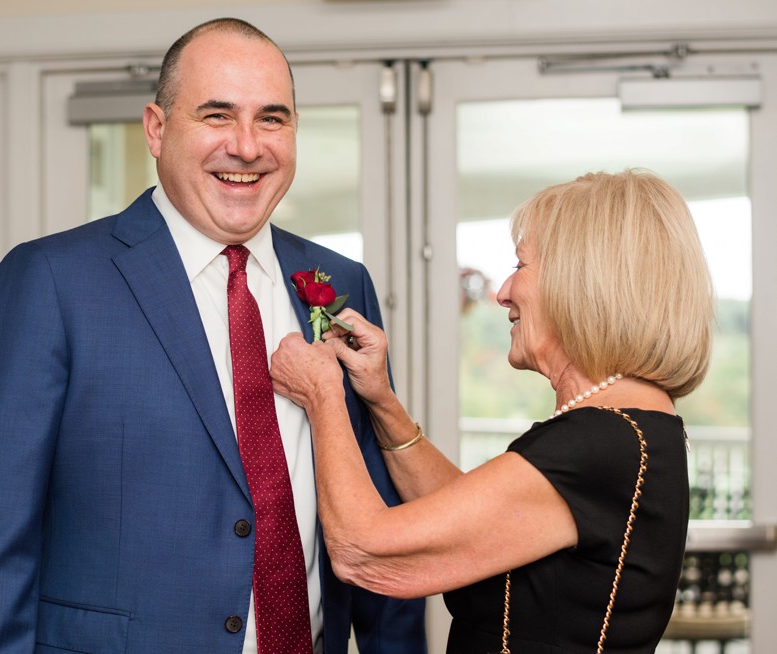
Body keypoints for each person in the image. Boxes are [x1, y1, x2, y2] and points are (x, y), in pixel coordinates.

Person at [0, 17, 426, 654]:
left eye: (272, 119)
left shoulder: (337, 284)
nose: (248, 146)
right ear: (157, 128)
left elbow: (378, 514)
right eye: (217, 115)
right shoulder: (50, 282)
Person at [270, 169, 713, 653]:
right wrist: (381, 400)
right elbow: (471, 517)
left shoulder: (598, 442)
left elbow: (364, 550)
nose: (502, 291)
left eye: (520, 265)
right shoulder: (634, 429)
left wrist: (323, 394)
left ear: (579, 281)